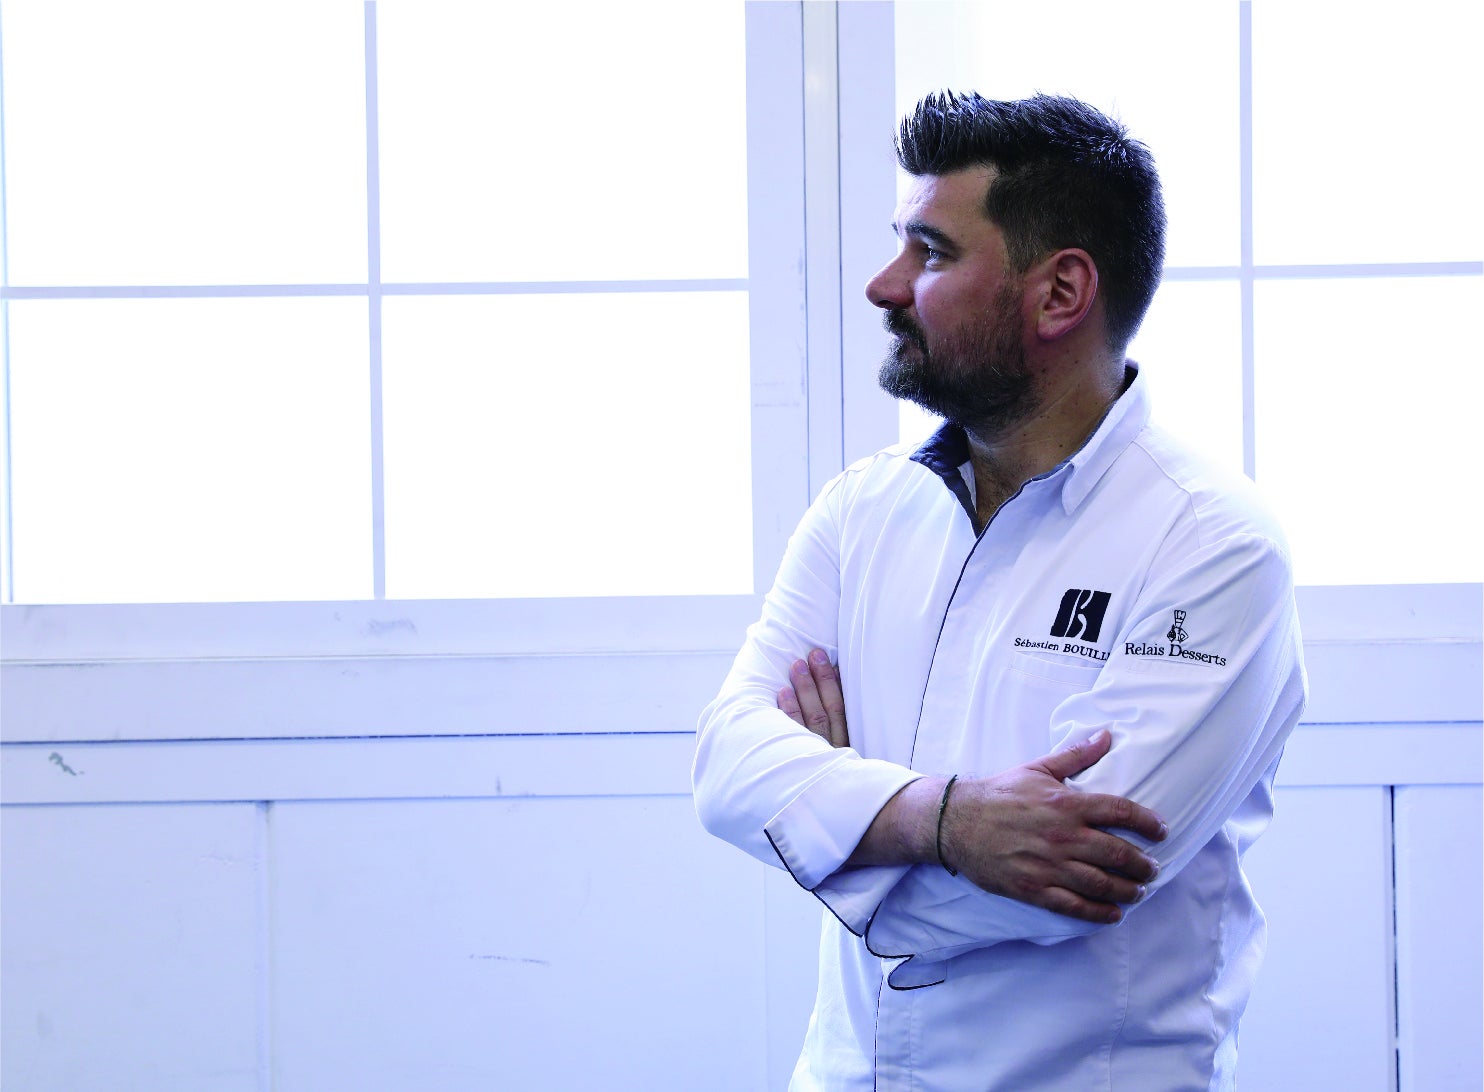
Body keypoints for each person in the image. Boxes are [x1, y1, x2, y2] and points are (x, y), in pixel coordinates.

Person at [692, 90, 1307, 1091]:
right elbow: (725, 765)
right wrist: (936, 820)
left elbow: (1066, 882)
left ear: (1059, 292)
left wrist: (824, 820)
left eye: (931, 252)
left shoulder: (1211, 545)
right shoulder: (861, 511)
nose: (883, 285)